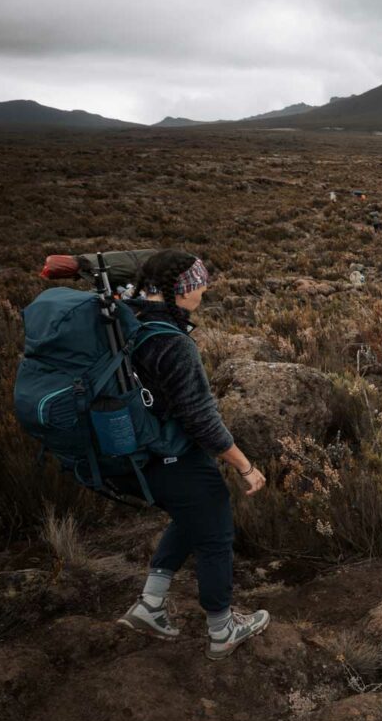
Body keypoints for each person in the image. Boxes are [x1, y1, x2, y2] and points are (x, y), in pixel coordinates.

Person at [114, 250, 271, 659]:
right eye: (200, 282)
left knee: (191, 510)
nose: (205, 289)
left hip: (131, 451)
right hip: (167, 452)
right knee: (214, 517)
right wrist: (246, 466)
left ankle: (150, 605)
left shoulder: (125, 318)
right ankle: (222, 628)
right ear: (181, 290)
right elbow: (200, 419)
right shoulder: (171, 341)